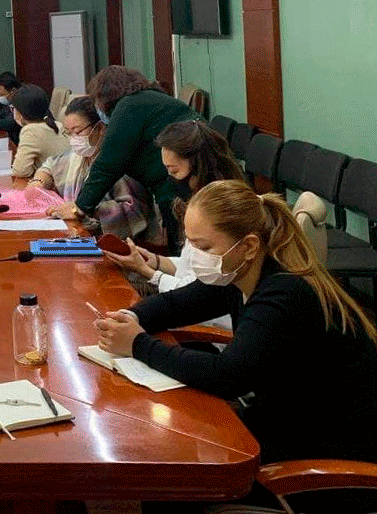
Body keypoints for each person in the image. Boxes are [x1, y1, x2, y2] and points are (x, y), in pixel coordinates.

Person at [95, 180, 377, 469]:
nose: (196, 256)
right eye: (192, 244)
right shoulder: (240, 273)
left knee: (171, 457)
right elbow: (176, 304)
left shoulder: (283, 293)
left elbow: (228, 376)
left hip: (330, 448)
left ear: (249, 246)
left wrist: (137, 344)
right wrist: (131, 317)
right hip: (288, 417)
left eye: (204, 246)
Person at [51, 66, 198, 248]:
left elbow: (107, 165)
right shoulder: (150, 98)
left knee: (183, 246)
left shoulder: (128, 106)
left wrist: (79, 208)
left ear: (105, 95)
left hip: (178, 184)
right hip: (191, 174)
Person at [103, 120, 246, 299]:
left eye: (175, 171)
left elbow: (197, 291)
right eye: (168, 171)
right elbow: (189, 267)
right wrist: (155, 261)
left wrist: (146, 271)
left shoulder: (221, 212)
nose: (171, 178)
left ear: (199, 166)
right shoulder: (199, 202)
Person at [30, 96, 156, 241]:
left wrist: (83, 212)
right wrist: (39, 181)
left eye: (78, 132)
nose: (73, 139)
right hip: (76, 231)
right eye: (68, 133)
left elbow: (133, 210)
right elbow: (50, 166)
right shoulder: (78, 157)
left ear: (100, 128)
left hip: (114, 241)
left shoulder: (118, 159)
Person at [7, 84, 68, 178]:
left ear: (21, 112)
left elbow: (21, 171)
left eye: (13, 108)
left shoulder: (31, 130)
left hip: (53, 183)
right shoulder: (57, 124)